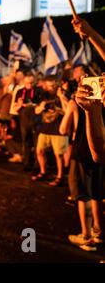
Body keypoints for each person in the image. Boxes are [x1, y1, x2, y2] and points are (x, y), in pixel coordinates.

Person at [60, 98, 104, 251]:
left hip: (82, 152)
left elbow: (63, 129)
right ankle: (98, 233)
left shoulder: (76, 103)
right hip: (100, 153)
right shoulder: (102, 101)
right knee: (96, 193)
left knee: (82, 195)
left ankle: (86, 237)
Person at [32, 76, 68, 185]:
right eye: (48, 85)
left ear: (56, 84)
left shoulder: (64, 93)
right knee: (39, 151)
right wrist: (41, 108)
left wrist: (61, 97)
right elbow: (36, 111)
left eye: (52, 85)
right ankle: (43, 172)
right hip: (45, 129)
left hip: (59, 129)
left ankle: (60, 177)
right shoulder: (44, 95)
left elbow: (68, 111)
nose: (49, 87)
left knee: (59, 155)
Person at [12, 74, 40, 171]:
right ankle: (27, 163)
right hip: (24, 120)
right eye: (28, 82)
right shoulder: (20, 92)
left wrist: (33, 105)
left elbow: (40, 105)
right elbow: (15, 108)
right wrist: (20, 105)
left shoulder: (37, 91)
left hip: (35, 120)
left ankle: (37, 165)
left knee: (36, 143)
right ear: (24, 82)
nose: (30, 84)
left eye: (31, 82)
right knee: (26, 142)